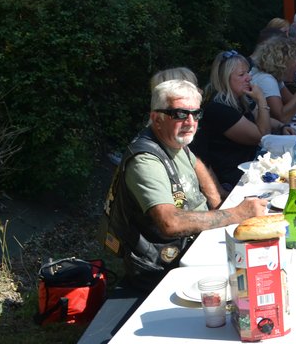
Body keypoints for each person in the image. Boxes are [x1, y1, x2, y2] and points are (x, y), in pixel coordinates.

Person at [104, 79, 268, 291]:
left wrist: (218, 203)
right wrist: (235, 214)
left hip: (197, 241)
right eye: (180, 114)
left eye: (196, 114)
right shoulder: (145, 161)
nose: (190, 122)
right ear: (156, 119)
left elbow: (196, 163)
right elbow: (170, 222)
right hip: (166, 265)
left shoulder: (174, 141)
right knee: (253, 280)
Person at [191, 50, 291, 189]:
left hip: (249, 167)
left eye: (248, 72)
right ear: (225, 79)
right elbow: (263, 135)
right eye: (241, 74)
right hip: (233, 179)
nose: (248, 78)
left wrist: (281, 126)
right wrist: (261, 99)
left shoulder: (240, 99)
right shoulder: (219, 109)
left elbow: (262, 118)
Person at [249, 36, 296, 124]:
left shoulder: (275, 76)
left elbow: (293, 103)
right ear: (283, 60)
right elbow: (282, 118)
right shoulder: (266, 79)